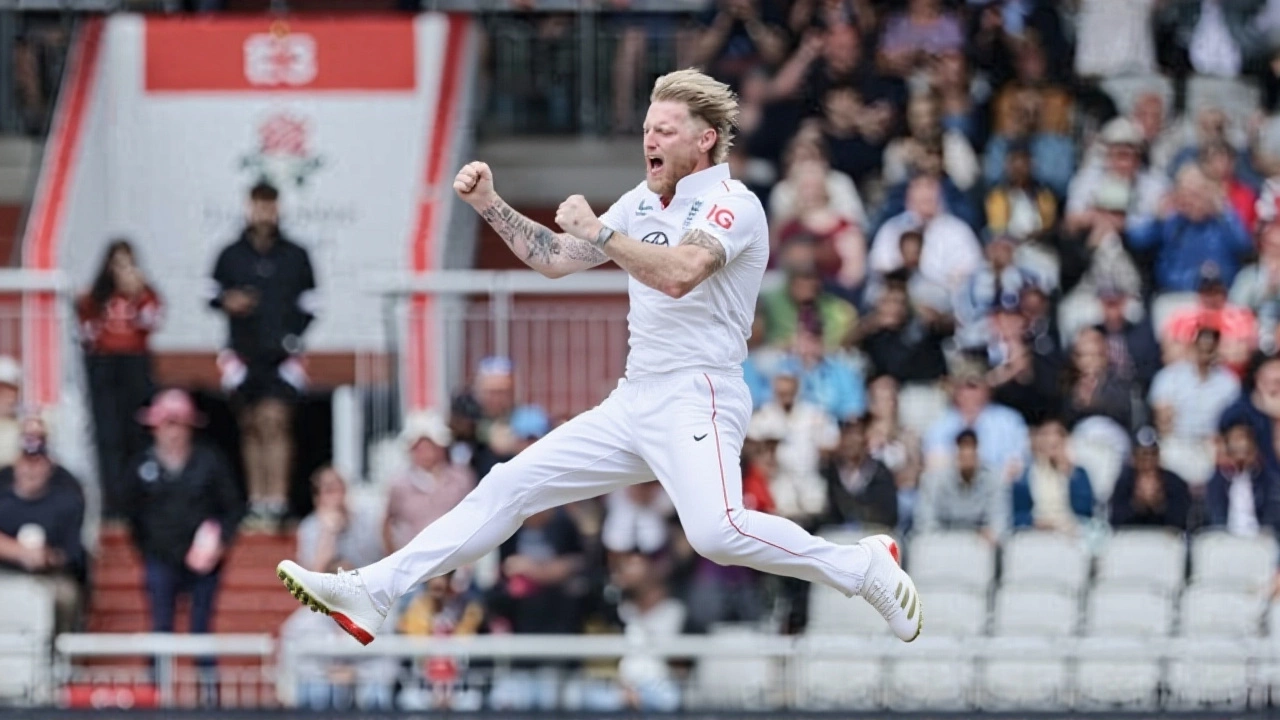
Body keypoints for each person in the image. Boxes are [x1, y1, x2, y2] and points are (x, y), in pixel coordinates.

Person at [276, 68, 922, 646]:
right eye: (646, 129)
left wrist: (603, 233)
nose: (650, 140)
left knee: (716, 534)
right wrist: (490, 205)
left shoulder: (735, 203)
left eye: (665, 130)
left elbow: (680, 273)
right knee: (507, 485)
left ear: (704, 139)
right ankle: (375, 589)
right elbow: (556, 258)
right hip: (635, 397)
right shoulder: (641, 201)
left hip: (699, 394)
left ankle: (861, 566)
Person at [209, 181, 317, 526]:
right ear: (248, 207)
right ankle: (257, 500)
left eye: (269, 206)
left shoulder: (295, 255)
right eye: (258, 205)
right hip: (242, 353)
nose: (264, 213)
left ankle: (278, 499)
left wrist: (291, 336)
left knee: (276, 421)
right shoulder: (230, 254)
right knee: (251, 424)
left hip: (281, 354)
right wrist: (229, 301)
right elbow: (211, 294)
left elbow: (312, 303)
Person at [77, 239, 162, 514]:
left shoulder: (146, 294)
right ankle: (113, 502)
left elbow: (152, 323)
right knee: (108, 434)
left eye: (127, 263)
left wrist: (138, 294)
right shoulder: (96, 296)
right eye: (117, 264)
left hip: (134, 363)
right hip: (105, 364)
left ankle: (140, 497)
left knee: (137, 430)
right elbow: (86, 333)